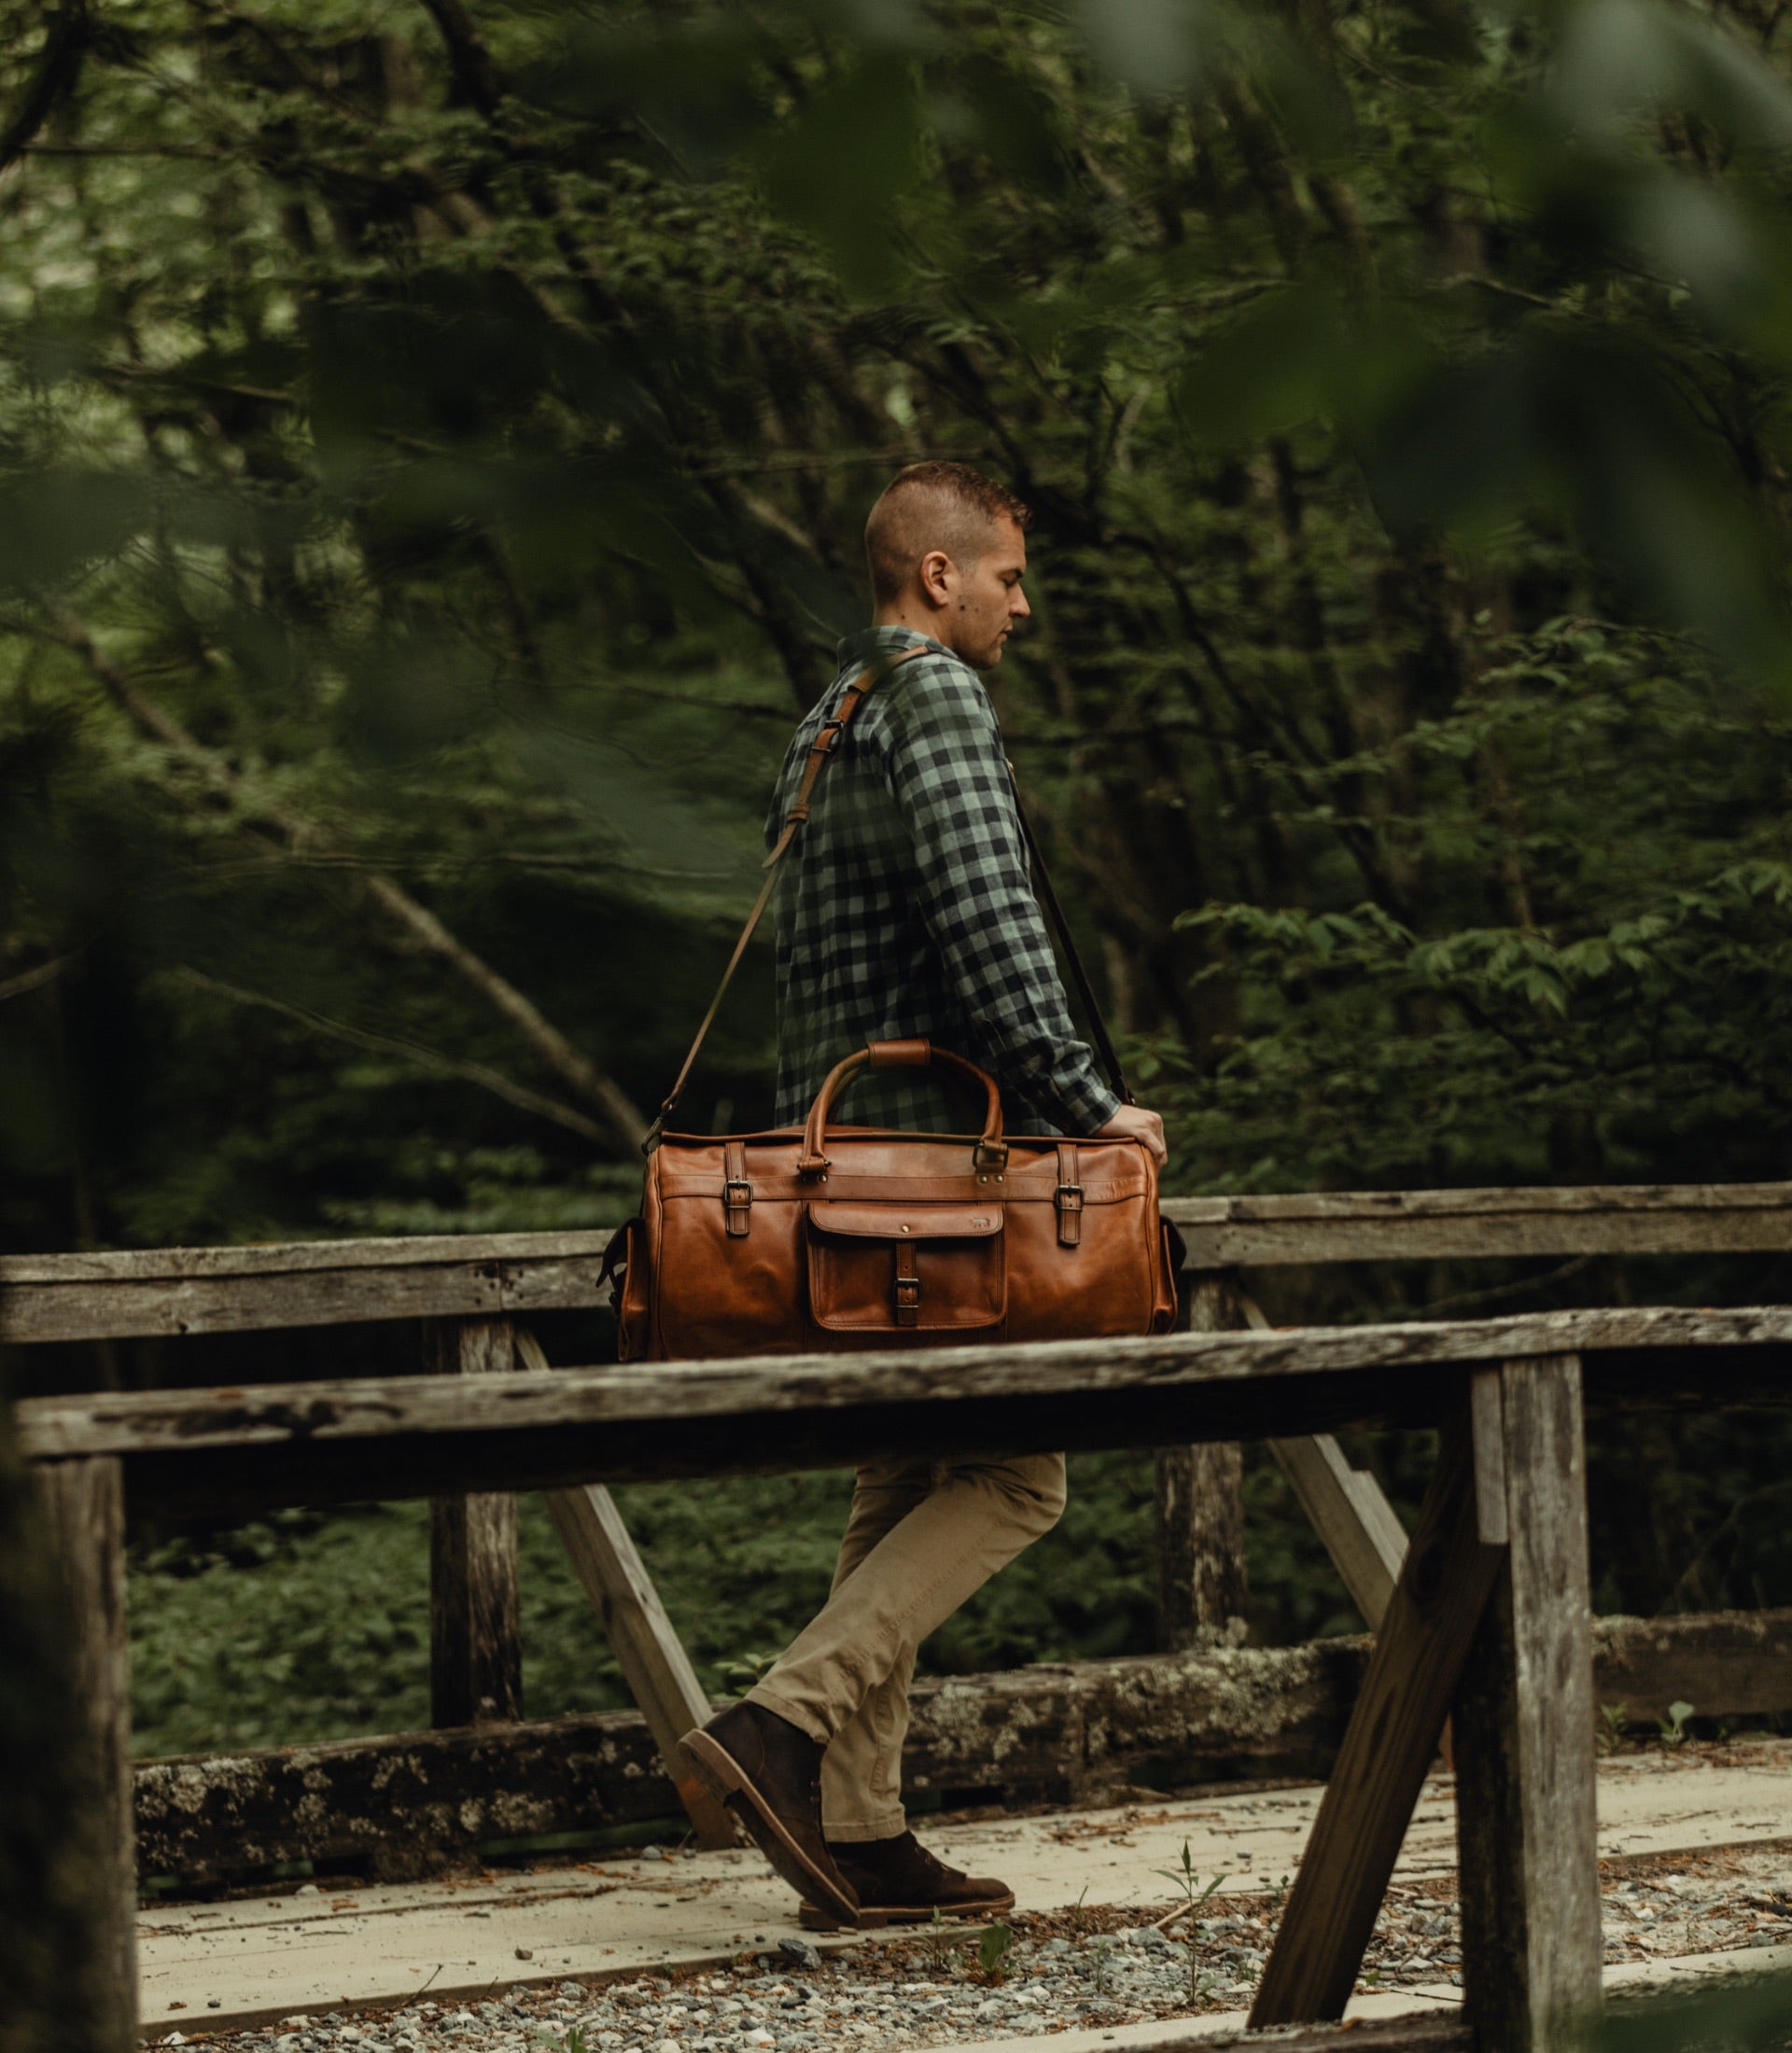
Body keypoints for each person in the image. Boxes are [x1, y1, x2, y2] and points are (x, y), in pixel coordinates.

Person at [678, 460, 1168, 1931]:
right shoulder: (935, 698)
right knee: (1023, 1476)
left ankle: (860, 1839)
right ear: (938, 577)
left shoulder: (829, 720)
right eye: (1010, 575)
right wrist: (1091, 1109)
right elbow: (987, 920)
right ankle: (778, 1725)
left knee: (904, 1480)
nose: (1027, 602)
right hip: (939, 1182)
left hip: (848, 1178)